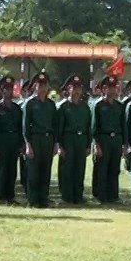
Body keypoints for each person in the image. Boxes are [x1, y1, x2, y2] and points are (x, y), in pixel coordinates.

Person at [21, 72, 57, 208]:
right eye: (40, 85)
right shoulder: (29, 104)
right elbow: (25, 126)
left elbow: (55, 125)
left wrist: (55, 143)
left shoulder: (51, 105)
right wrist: (28, 145)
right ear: (35, 86)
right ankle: (33, 199)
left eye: (45, 85)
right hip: (35, 139)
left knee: (45, 170)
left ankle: (43, 199)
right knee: (33, 171)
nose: (42, 88)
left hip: (48, 139)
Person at [54, 75, 92, 204]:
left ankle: (78, 195)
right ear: (68, 89)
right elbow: (59, 128)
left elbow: (88, 127)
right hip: (68, 139)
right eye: (74, 87)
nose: (77, 90)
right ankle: (67, 195)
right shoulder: (63, 107)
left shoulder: (85, 107)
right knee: (67, 169)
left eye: (79, 87)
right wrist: (59, 145)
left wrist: (88, 145)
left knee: (80, 168)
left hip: (81, 140)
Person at [90, 76, 127, 203]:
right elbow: (94, 127)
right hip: (103, 139)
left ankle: (113, 195)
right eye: (108, 88)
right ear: (103, 89)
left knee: (114, 168)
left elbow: (123, 126)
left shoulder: (119, 106)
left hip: (116, 139)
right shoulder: (98, 105)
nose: (111, 90)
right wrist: (96, 144)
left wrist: (124, 144)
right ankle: (101, 195)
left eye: (113, 87)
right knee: (102, 168)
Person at [0, 77, 24, 204]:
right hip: (1, 140)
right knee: (1, 169)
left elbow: (20, 127)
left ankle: (10, 195)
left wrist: (21, 144)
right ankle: (0, 195)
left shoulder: (16, 108)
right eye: (6, 89)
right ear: (1, 91)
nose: (9, 91)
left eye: (10, 88)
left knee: (12, 169)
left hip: (13, 140)